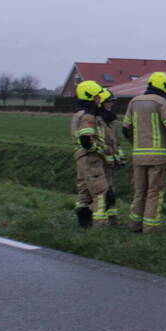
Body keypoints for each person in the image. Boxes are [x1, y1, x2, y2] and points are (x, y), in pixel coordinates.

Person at [122, 71, 166, 233]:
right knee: (154, 192)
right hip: (158, 157)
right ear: (164, 87)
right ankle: (150, 227)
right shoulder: (162, 103)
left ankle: (134, 224)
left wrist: (136, 144)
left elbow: (125, 129)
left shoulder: (134, 102)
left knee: (139, 192)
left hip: (138, 156)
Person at [71, 81, 109, 228]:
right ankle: (99, 224)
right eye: (98, 97)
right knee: (100, 190)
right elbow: (86, 139)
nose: (100, 100)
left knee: (84, 189)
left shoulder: (78, 114)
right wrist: (99, 150)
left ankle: (83, 220)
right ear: (91, 97)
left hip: (80, 156)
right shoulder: (88, 116)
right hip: (90, 157)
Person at [96, 89, 125, 225]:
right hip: (100, 159)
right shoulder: (97, 118)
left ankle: (112, 217)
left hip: (111, 160)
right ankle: (100, 217)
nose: (111, 104)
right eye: (108, 102)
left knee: (110, 188)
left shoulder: (111, 119)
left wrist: (119, 155)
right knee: (102, 189)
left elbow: (116, 140)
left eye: (112, 102)